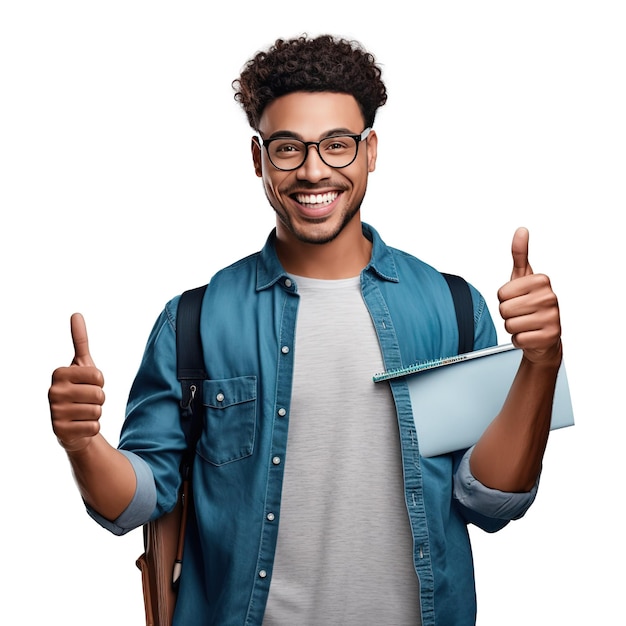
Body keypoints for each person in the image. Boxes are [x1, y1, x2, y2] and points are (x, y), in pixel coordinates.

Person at [49, 35, 563, 626]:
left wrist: (541, 364)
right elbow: (137, 501)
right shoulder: (194, 320)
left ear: (371, 151)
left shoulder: (450, 307)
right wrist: (83, 445)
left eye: (337, 145)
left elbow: (491, 499)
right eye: (288, 148)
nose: (314, 169)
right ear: (258, 159)